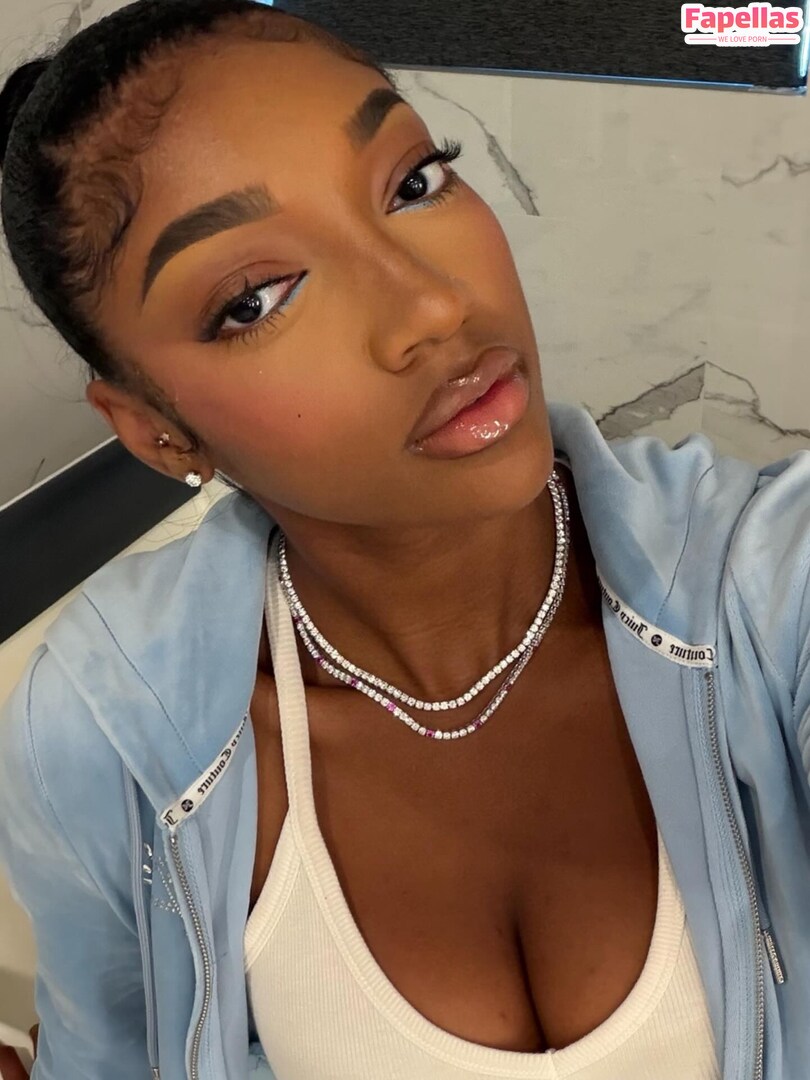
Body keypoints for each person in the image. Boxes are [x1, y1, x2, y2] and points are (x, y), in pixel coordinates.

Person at [0, 0, 807, 1077]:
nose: (431, 305)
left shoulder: (768, 582)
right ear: (155, 429)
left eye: (414, 183)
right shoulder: (102, 735)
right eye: (257, 299)